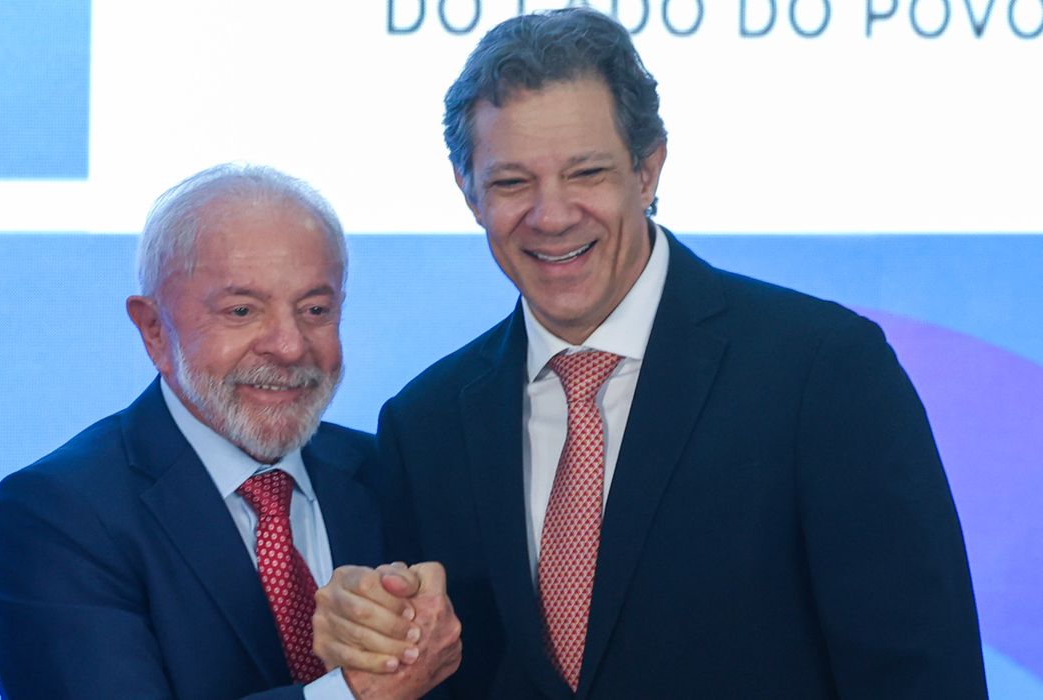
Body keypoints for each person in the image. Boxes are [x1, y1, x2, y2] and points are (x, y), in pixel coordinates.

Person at [312, 8, 987, 698]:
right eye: (512, 182)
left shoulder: (824, 374)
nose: (551, 215)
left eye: (586, 173)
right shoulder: (424, 426)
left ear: (647, 170)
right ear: (469, 191)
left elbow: (923, 678)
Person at [0, 163, 459, 699]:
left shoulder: (391, 473)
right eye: (242, 311)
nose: (289, 345)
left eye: (315, 309)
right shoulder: (56, 518)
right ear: (154, 330)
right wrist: (357, 693)